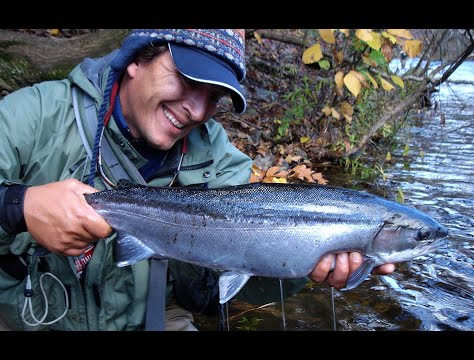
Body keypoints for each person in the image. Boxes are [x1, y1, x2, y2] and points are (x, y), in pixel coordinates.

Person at [0, 29, 394, 331]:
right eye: (187, 81)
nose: (195, 110)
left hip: (152, 317)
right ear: (137, 58)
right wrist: (19, 206)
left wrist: (305, 265)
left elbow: (219, 290)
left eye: (213, 98)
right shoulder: (31, 117)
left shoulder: (219, 160)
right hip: (26, 315)